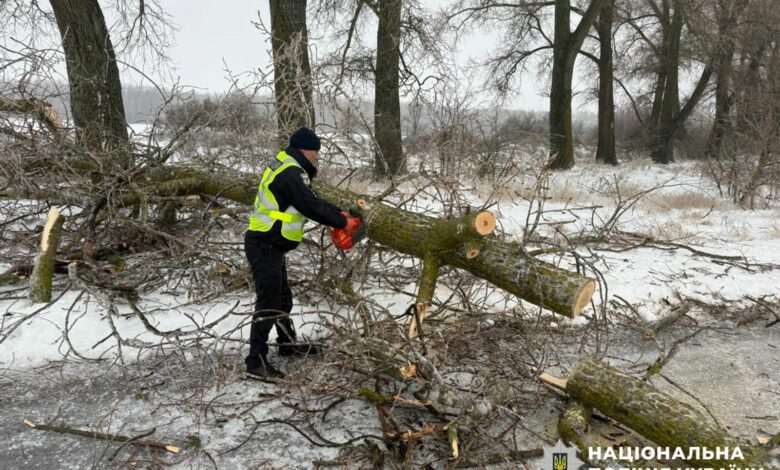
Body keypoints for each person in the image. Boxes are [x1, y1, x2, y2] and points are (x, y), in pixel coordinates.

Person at [244, 127, 361, 378]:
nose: (317, 157)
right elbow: (309, 206)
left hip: (272, 242)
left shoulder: (288, 167)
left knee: (282, 298)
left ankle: (286, 343)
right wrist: (343, 224)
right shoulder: (290, 172)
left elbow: (311, 198)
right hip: (264, 242)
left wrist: (338, 212)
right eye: (315, 152)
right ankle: (255, 360)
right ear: (304, 150)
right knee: (269, 301)